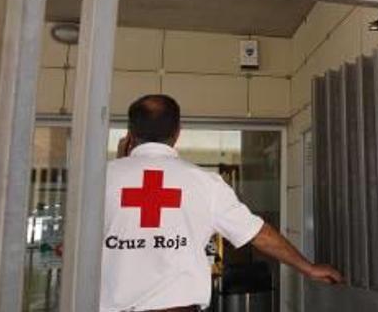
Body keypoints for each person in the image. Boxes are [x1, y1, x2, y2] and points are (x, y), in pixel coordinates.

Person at [101, 94, 343, 312]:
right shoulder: (204, 182)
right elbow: (257, 233)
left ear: (130, 133)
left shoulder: (101, 179)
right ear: (177, 132)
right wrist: (308, 268)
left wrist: (122, 163)